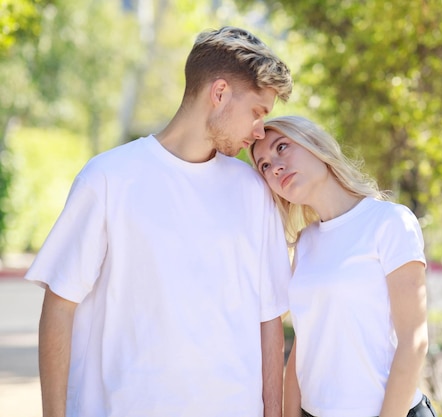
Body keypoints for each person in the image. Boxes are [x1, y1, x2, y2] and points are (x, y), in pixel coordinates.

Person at [25, 26, 293, 417]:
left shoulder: (252, 190)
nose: (260, 131)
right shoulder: (109, 178)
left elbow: (269, 319)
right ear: (219, 94)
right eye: (257, 112)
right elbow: (59, 307)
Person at [249, 115, 438, 417]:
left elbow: (413, 342)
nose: (275, 167)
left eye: (281, 148)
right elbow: (303, 345)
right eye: (264, 166)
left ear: (315, 142)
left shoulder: (389, 222)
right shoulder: (305, 243)